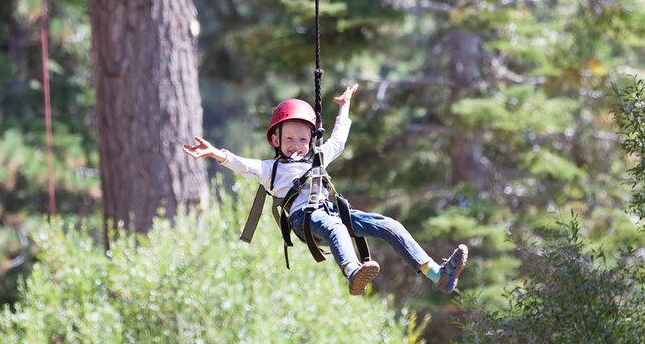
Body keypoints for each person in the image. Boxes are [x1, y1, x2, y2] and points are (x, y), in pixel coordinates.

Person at [183, 84, 468, 296]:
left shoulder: (318, 156)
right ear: (276, 139)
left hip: (330, 211)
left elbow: (339, 139)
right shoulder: (271, 169)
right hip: (305, 219)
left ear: (311, 140)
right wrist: (216, 154)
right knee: (335, 228)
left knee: (389, 225)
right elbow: (241, 165)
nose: (297, 144)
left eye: (303, 139)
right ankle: (353, 271)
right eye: (290, 139)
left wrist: (344, 107)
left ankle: (437, 274)